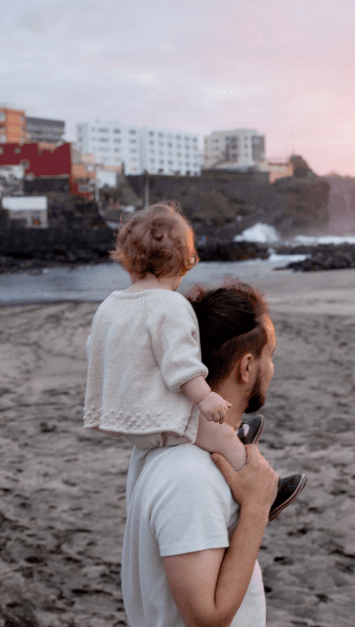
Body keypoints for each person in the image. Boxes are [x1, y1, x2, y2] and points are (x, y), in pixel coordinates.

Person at [83, 202, 303, 519]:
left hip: (124, 419)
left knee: (208, 431)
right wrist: (205, 397)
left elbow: (97, 351)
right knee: (220, 436)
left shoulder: (109, 306)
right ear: (185, 261)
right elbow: (180, 362)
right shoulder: (168, 305)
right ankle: (265, 495)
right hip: (158, 419)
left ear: (127, 260)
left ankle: (238, 441)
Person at [122, 281, 303, 626]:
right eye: (271, 355)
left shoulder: (165, 444)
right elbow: (205, 619)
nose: (273, 368)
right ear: (246, 367)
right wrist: (256, 508)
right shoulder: (190, 475)